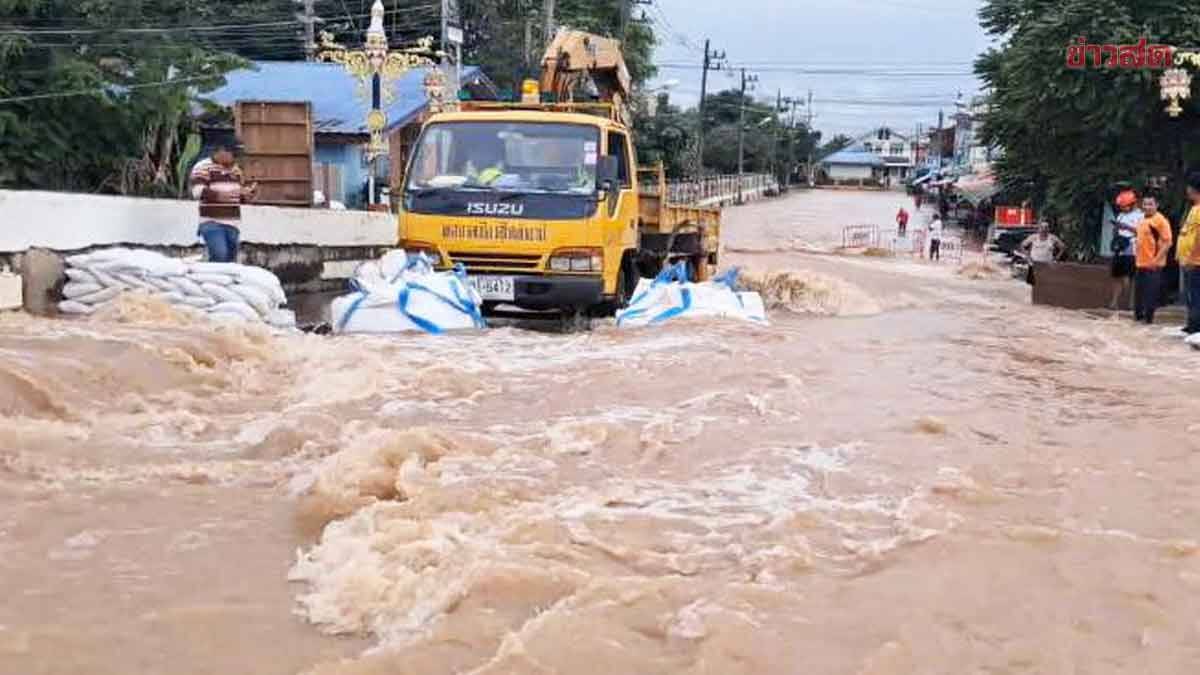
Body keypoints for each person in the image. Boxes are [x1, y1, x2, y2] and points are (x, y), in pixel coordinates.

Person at [190, 145, 256, 263]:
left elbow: (238, 196)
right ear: (221, 150)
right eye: (233, 154)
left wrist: (247, 195)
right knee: (219, 254)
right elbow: (197, 191)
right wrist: (220, 196)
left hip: (232, 223)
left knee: (230, 258)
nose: (235, 158)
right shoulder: (202, 167)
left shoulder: (236, 170)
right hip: (211, 221)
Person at [1133, 194, 1173, 324]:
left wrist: (1155, 260)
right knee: (1139, 295)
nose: (1147, 207)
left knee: (1150, 295)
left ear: (1157, 205)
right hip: (1140, 263)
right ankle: (1138, 319)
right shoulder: (1142, 220)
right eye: (1145, 204)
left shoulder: (1161, 220)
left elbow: (1168, 243)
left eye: (1150, 204)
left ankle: (1148, 320)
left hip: (1154, 265)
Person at [1108, 189, 1142, 310]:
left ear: (1133, 204)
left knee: (1130, 278)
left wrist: (1125, 227)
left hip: (1131, 248)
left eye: (1125, 206)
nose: (1123, 208)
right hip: (1120, 248)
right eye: (1121, 206)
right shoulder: (1121, 215)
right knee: (1117, 276)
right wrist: (1116, 230)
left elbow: (1141, 232)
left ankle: (1131, 303)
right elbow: (1117, 229)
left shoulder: (1140, 216)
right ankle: (1114, 302)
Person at [1178, 172, 1200, 334]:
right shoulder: (1194, 208)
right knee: (1189, 295)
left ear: (1193, 188)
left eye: (1188, 187)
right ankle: (1191, 324)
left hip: (1196, 262)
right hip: (1187, 260)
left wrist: (1192, 257)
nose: (1186, 190)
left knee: (1195, 295)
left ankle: (1196, 327)